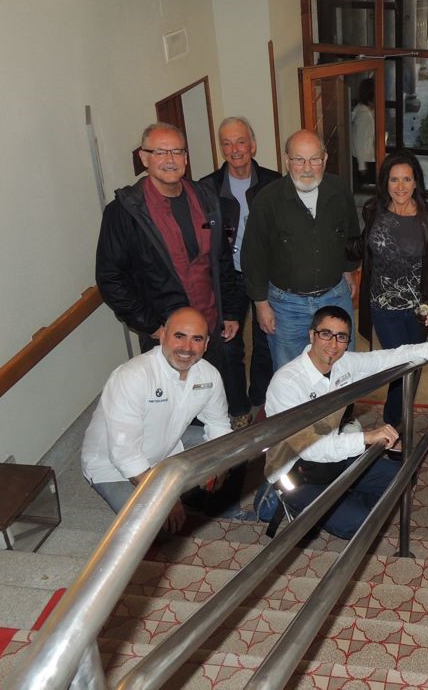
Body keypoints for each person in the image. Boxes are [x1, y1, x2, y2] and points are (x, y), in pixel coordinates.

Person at [264, 305, 428, 538]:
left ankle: (342, 503)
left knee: (403, 477)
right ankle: (299, 503)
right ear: (312, 335)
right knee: (360, 525)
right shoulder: (286, 383)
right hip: (297, 474)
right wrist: (366, 438)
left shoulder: (343, 363)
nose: (333, 344)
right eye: (326, 334)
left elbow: (393, 356)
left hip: (335, 458)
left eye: (341, 337)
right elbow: (310, 448)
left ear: (347, 342)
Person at [96, 123, 242, 374]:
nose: (170, 160)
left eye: (177, 152)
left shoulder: (206, 198)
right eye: (160, 152)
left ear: (186, 157)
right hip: (163, 334)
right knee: (172, 395)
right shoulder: (124, 212)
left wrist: (229, 311)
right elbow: (110, 278)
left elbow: (221, 259)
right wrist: (151, 326)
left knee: (210, 386)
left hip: (209, 326)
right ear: (144, 158)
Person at [81, 308, 244, 532]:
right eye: (179, 336)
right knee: (156, 529)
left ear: (206, 344)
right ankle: (179, 496)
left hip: (167, 446)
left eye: (196, 339)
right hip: (112, 467)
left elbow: (219, 426)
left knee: (236, 449)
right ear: (163, 335)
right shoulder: (133, 376)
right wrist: (163, 499)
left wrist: (221, 465)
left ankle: (207, 504)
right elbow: (124, 454)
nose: (187, 348)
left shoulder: (209, 375)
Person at [347, 149, 428, 428]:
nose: (401, 186)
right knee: (399, 367)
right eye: (394, 179)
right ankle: (394, 426)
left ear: (416, 182)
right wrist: (334, 241)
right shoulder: (374, 211)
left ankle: (397, 422)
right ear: (386, 183)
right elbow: (362, 245)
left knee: (413, 367)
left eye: (407, 179)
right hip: (383, 308)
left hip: (418, 310)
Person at [241, 130, 361, 370]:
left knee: (343, 367)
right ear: (287, 160)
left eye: (314, 159)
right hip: (286, 306)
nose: (307, 168)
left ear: (325, 159)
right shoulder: (267, 200)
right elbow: (253, 256)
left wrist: (349, 270)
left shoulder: (339, 191)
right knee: (290, 372)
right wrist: (261, 305)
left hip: (335, 296)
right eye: (299, 160)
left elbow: (351, 234)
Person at [198, 117, 281, 428]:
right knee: (229, 345)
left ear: (253, 145)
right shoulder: (207, 188)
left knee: (266, 340)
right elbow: (203, 236)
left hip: (266, 276)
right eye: (227, 143)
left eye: (241, 142)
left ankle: (261, 398)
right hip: (227, 277)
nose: (235, 149)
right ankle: (239, 408)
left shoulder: (274, 183)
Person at [350, 77, 376, 188]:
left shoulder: (363, 109)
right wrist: (362, 167)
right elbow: (360, 142)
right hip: (364, 161)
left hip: (364, 160)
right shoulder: (364, 115)